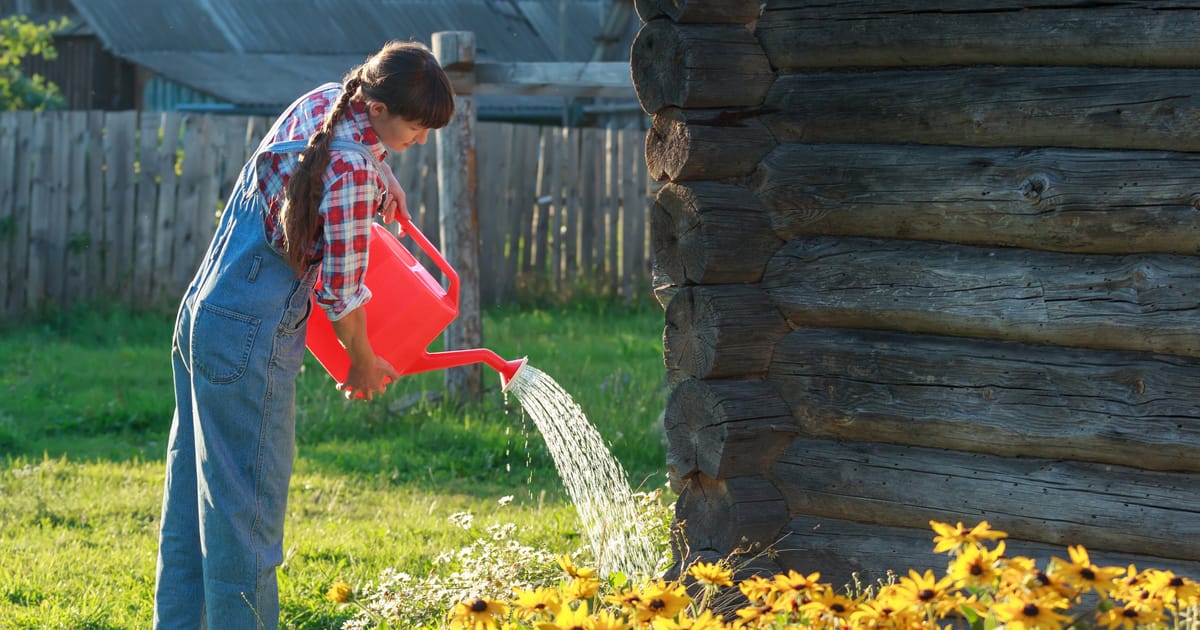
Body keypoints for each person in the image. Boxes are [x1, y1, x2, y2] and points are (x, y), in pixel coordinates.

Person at [153, 40, 455, 629]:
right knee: (248, 519)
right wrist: (363, 361)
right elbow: (339, 295)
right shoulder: (347, 172)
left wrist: (382, 173)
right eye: (415, 127)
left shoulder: (326, 103)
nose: (420, 140)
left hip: (203, 316)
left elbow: (332, 166)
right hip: (249, 339)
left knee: (192, 508)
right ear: (376, 108)